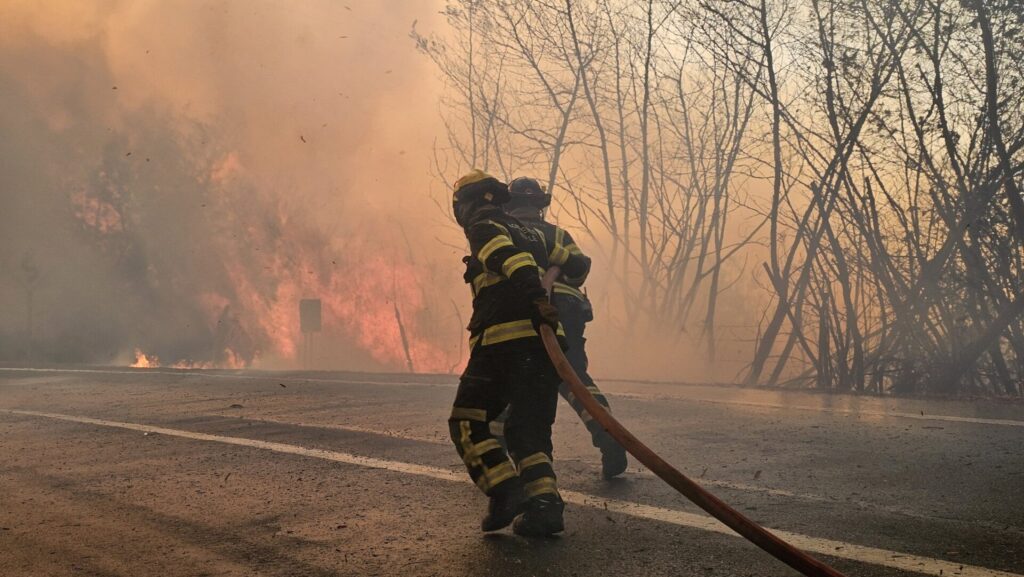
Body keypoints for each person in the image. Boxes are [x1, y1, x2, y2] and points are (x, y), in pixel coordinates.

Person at [448, 169, 568, 537]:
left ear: (466, 204)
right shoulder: (531, 231)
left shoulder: (484, 224)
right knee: (527, 432)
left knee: (467, 421)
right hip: (546, 343)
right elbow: (572, 265)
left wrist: (533, 296)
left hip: (504, 340)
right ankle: (545, 509)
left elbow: (509, 261)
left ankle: (504, 489)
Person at [493, 176, 628, 480]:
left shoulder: (504, 233)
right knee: (575, 378)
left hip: (526, 310)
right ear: (539, 206)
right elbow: (579, 270)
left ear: (509, 205)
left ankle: (494, 459)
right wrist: (558, 261)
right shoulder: (559, 234)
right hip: (567, 309)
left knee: (515, 381)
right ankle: (610, 437)